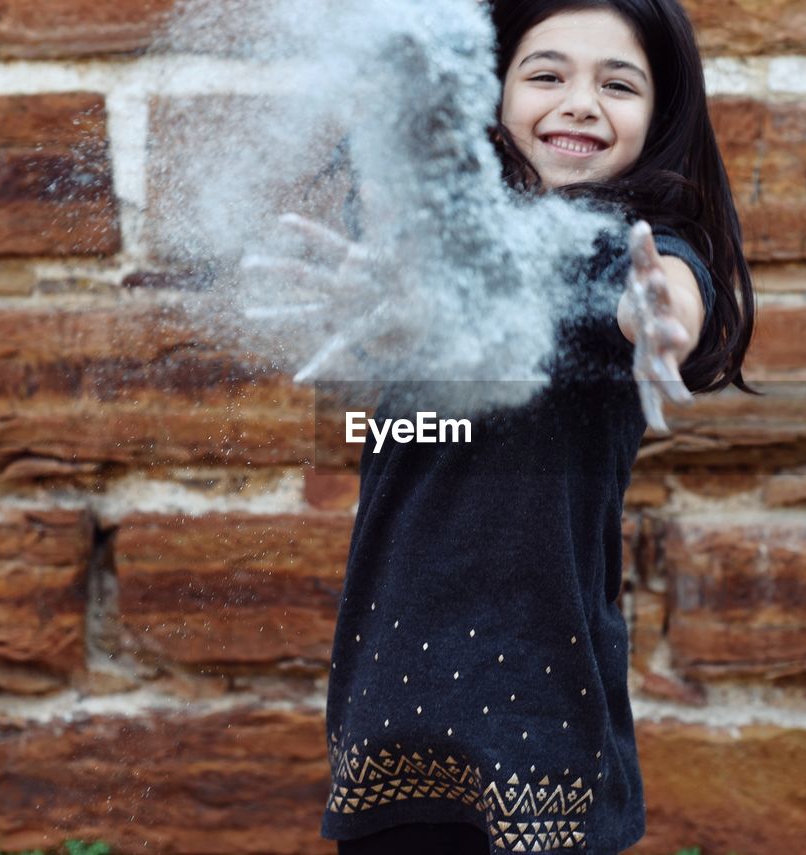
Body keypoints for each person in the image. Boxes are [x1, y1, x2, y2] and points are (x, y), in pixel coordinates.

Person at [319, 0, 758, 852]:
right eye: (547, 74)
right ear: (493, 92)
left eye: (617, 83)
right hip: (392, 697)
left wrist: (662, 314)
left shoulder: (619, 249)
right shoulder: (435, 253)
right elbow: (394, 448)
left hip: (539, 702)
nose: (581, 101)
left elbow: (669, 289)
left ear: (658, 114)